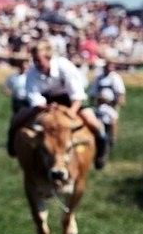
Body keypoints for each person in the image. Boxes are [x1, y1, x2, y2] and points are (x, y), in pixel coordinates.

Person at [11, 40, 108, 169]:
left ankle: (101, 149)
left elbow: (77, 93)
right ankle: (12, 145)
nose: (36, 64)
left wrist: (72, 111)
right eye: (34, 60)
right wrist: (43, 106)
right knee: (17, 118)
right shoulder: (32, 72)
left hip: (69, 99)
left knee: (93, 122)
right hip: (45, 102)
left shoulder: (64, 66)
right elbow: (33, 95)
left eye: (39, 60)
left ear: (49, 57)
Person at [87, 59, 126, 155]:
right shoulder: (99, 78)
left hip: (111, 106)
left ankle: (112, 139)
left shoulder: (115, 78)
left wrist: (112, 102)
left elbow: (121, 95)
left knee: (113, 120)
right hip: (99, 106)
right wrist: (96, 100)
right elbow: (92, 93)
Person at [1, 58, 30, 157]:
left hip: (28, 101)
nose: (24, 66)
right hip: (18, 102)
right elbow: (5, 86)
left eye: (26, 64)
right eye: (22, 64)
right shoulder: (14, 77)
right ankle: (12, 147)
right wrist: (8, 91)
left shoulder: (31, 76)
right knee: (15, 121)